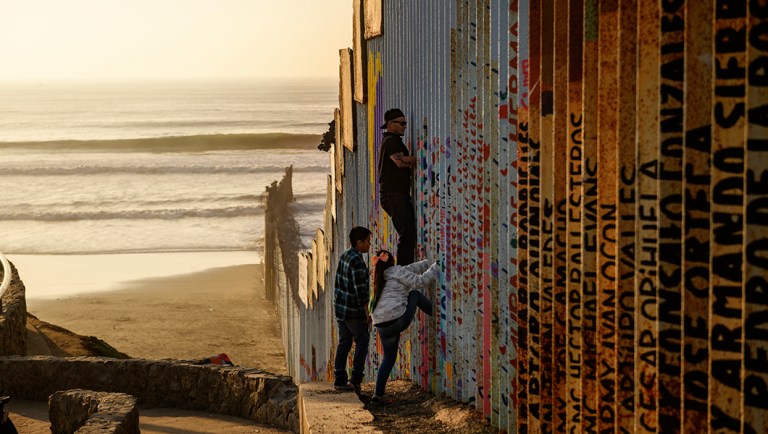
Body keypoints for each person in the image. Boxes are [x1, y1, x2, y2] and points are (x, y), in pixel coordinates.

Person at [369, 249, 438, 403]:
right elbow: (420, 281)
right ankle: (438, 316)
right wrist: (436, 266)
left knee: (388, 359)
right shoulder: (397, 271)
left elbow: (410, 269)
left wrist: (427, 262)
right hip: (398, 320)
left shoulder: (379, 278)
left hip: (381, 325)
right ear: (393, 261)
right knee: (414, 294)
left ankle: (377, 395)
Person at [333, 226, 373, 392]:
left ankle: (339, 379)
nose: (370, 245)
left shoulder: (345, 255)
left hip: (341, 309)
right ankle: (355, 380)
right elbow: (361, 290)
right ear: (359, 242)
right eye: (368, 242)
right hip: (353, 311)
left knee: (344, 343)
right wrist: (367, 311)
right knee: (362, 342)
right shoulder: (357, 261)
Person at [378, 108, 418, 266]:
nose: (404, 126)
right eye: (401, 123)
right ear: (390, 124)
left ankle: (403, 270)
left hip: (393, 195)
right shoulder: (392, 141)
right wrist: (417, 158)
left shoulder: (389, 141)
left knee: (407, 233)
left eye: (405, 123)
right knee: (406, 235)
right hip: (394, 195)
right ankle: (403, 272)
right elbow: (399, 162)